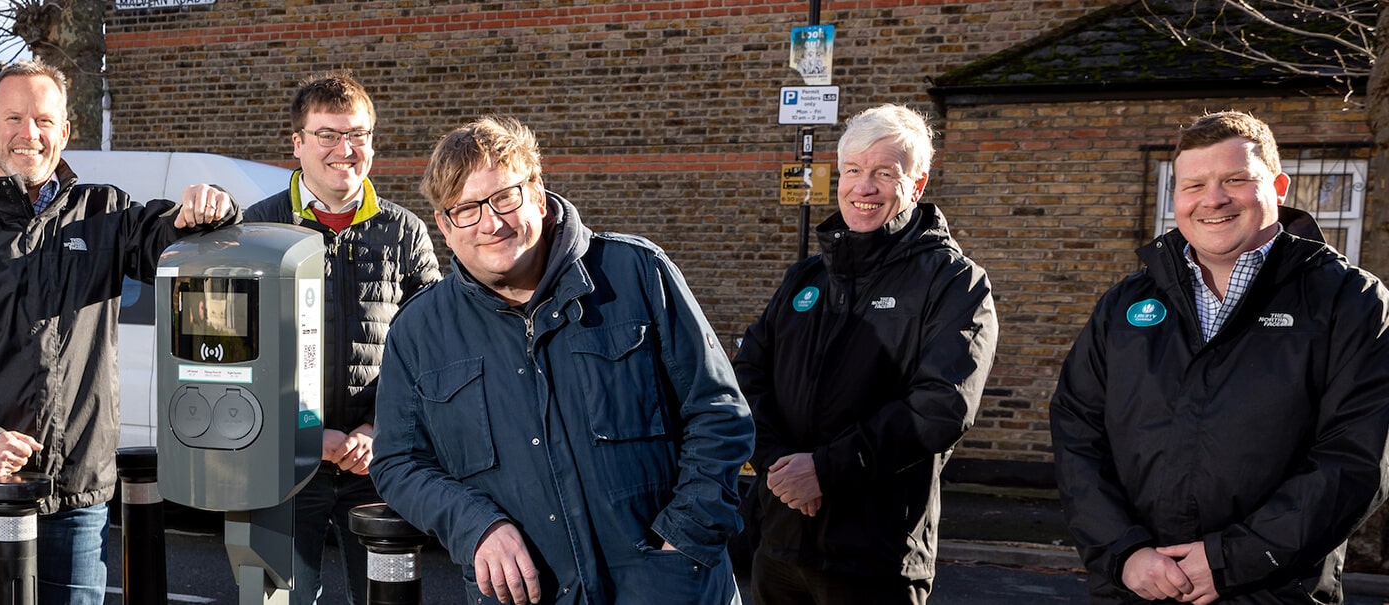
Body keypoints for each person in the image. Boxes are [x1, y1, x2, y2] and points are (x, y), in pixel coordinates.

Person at [0, 60, 237, 605]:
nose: (30, 133)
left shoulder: (104, 213)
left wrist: (212, 209)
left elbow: (171, 239)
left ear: (65, 132)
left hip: (77, 494)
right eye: (14, 118)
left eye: (44, 120)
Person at [370, 115, 753, 605]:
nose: (491, 223)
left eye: (504, 197)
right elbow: (400, 462)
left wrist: (683, 544)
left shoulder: (636, 275)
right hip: (529, 595)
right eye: (465, 209)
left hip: (669, 586)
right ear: (445, 227)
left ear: (539, 194)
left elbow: (718, 413)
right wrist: (475, 525)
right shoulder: (419, 331)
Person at [1052, 110, 1389, 604]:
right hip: (1136, 588)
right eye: (1194, 185)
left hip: (1273, 590)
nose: (1213, 199)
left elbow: (1358, 457)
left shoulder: (1350, 301)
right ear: (1176, 197)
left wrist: (1233, 559)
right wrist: (1123, 553)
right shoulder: (1126, 305)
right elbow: (1077, 431)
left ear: (1278, 185)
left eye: (1235, 179)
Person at [732, 104, 998, 605]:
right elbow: (747, 375)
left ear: (916, 185)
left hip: (877, 558)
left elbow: (943, 406)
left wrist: (825, 470)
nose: (863, 187)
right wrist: (780, 469)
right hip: (781, 546)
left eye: (883, 173)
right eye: (853, 170)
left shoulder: (953, 282)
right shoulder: (805, 279)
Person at [241, 71, 440, 605]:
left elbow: (435, 354)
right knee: (276, 600)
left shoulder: (404, 232)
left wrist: (380, 428)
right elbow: (236, 357)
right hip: (279, 462)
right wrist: (305, 432)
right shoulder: (257, 230)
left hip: (381, 462)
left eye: (357, 134)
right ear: (298, 143)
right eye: (327, 134)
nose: (343, 149)